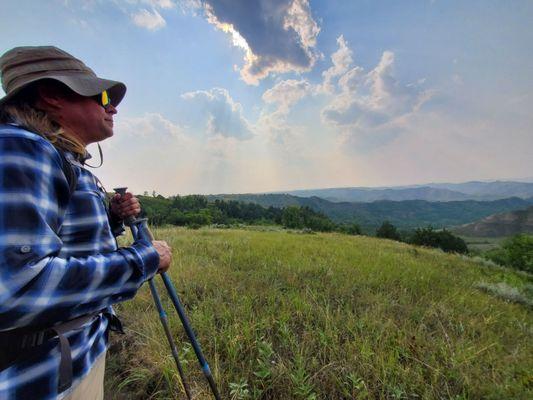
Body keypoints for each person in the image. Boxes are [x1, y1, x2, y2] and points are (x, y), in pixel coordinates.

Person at [0, 46, 172, 399]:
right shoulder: (21, 149)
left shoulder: (60, 157)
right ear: (51, 95)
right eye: (102, 96)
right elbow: (18, 290)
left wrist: (111, 218)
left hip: (72, 357)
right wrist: (145, 259)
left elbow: (60, 242)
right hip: (44, 378)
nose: (113, 106)